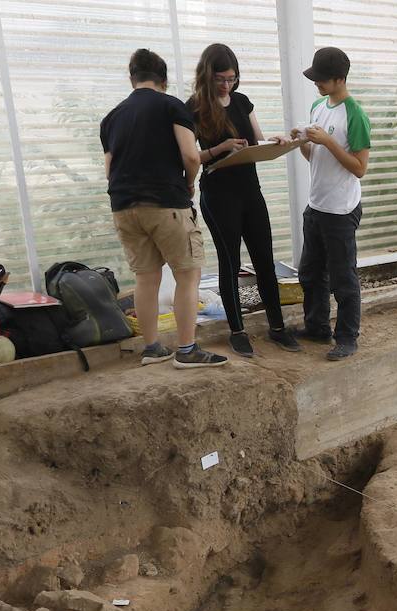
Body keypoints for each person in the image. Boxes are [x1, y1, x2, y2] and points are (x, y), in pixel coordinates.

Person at [100, 49, 226, 369]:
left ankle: (152, 347)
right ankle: (187, 349)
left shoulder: (111, 118)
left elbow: (109, 169)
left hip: (124, 207)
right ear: (164, 80)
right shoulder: (172, 106)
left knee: (146, 278)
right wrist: (189, 182)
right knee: (188, 276)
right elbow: (192, 156)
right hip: (165, 202)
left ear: (132, 79)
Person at [188, 44, 302, 357]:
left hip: (250, 190)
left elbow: (257, 142)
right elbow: (187, 156)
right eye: (220, 79)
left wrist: (276, 141)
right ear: (207, 76)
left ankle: (277, 327)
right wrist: (220, 148)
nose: (227, 85)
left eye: (232, 78)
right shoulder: (194, 108)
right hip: (218, 193)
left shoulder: (242, 101)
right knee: (231, 262)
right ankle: (237, 331)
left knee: (265, 259)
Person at [290, 47, 372, 361]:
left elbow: (359, 168)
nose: (317, 84)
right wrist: (302, 142)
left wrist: (328, 141)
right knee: (310, 272)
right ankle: (317, 327)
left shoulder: (355, 114)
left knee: (343, 277)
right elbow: (314, 158)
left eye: (322, 79)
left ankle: (348, 337)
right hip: (317, 205)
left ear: (340, 79)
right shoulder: (317, 106)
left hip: (341, 210)